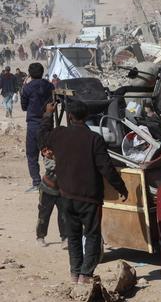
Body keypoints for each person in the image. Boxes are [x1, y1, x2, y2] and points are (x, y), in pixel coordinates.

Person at [40, 100, 128, 284]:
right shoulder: (94, 139)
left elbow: (42, 137)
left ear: (70, 117)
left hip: (66, 195)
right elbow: (106, 168)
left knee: (73, 236)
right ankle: (86, 275)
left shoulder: (59, 134)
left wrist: (48, 114)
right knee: (92, 236)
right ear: (86, 117)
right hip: (89, 197)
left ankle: (75, 273)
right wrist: (121, 188)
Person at [21, 63, 54, 192]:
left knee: (31, 154)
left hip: (33, 124)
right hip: (48, 123)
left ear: (30, 73)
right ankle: (52, 181)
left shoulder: (27, 88)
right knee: (49, 153)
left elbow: (24, 107)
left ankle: (36, 183)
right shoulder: (49, 85)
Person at [36, 145, 67, 249]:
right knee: (44, 215)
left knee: (64, 215)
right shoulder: (48, 150)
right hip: (47, 189)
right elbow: (50, 165)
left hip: (62, 190)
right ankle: (40, 237)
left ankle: (65, 238)